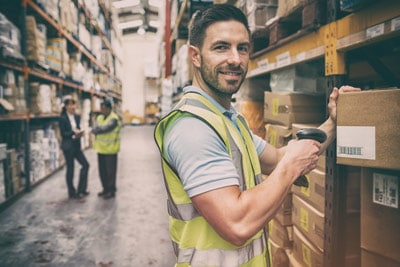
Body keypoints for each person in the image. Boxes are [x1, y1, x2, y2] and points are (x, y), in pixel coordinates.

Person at [154, 4, 360, 267]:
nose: (235, 59)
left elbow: (279, 158)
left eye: (242, 48)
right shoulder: (192, 128)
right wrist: (290, 167)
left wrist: (333, 122)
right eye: (221, 47)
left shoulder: (230, 121)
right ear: (195, 56)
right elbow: (236, 224)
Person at [59, 96, 90, 199]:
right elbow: (63, 133)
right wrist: (73, 132)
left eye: (73, 104)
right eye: (70, 105)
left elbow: (78, 127)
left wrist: (80, 132)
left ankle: (81, 190)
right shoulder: (63, 118)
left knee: (85, 165)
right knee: (70, 169)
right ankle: (72, 192)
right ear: (66, 106)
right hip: (68, 146)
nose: (72, 107)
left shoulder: (77, 117)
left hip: (76, 145)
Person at [91, 99, 121, 199]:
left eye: (104, 108)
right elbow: (94, 128)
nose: (102, 110)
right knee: (102, 171)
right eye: (101, 108)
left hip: (111, 150)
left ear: (109, 109)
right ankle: (105, 189)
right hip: (100, 149)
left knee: (110, 172)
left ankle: (111, 190)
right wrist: (96, 129)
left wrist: (96, 130)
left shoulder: (114, 119)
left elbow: (106, 128)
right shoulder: (99, 117)